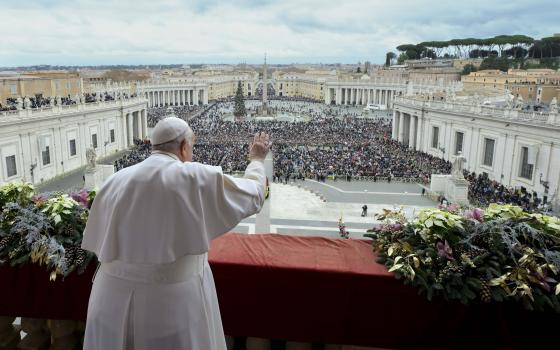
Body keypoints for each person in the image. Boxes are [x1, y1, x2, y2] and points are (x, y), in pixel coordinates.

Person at [81, 117, 271, 350]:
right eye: (191, 146)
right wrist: (257, 160)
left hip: (108, 300)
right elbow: (253, 194)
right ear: (183, 146)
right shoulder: (194, 176)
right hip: (168, 306)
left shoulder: (114, 181)